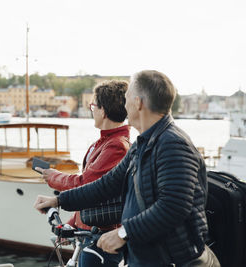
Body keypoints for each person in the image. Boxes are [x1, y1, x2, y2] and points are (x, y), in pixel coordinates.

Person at [34, 70, 220, 266]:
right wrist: (58, 200)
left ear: (138, 102)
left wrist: (123, 233)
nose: (124, 104)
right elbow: (106, 185)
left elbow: (174, 206)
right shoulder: (143, 145)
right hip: (147, 257)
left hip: (173, 260)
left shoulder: (172, 144)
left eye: (127, 97)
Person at [36, 80, 130, 267]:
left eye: (93, 106)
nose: (92, 110)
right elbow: (91, 193)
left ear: (103, 111)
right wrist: (72, 223)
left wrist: (52, 176)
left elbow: (86, 184)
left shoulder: (116, 145)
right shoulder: (104, 142)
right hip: (90, 233)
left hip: (100, 238)